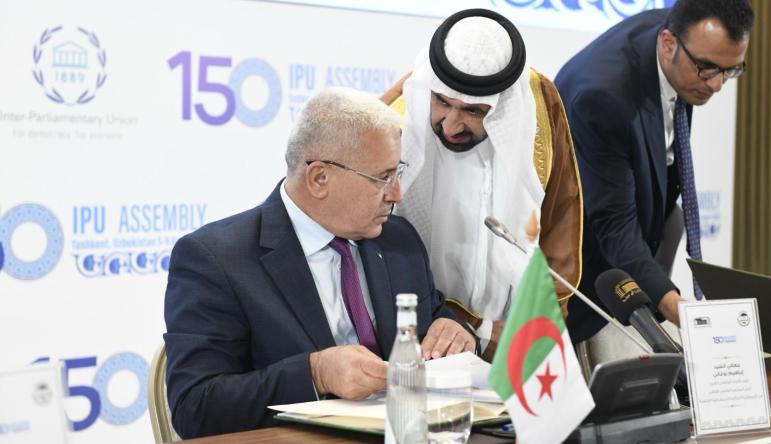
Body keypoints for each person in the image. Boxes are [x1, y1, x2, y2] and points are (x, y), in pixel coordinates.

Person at [163, 87, 475, 439]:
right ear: (319, 178)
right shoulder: (217, 258)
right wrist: (315, 374)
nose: (397, 193)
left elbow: (432, 319)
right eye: (383, 178)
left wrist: (452, 330)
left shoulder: (399, 240)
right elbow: (195, 407)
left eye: (397, 172)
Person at [380, 8, 583, 360]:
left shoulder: (537, 106)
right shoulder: (396, 118)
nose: (450, 125)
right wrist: (466, 326)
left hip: (511, 341)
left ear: (502, 108)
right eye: (442, 102)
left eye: (474, 111)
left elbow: (560, 220)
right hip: (419, 340)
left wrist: (537, 331)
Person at [555, 0, 753, 343]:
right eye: (708, 69)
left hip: (643, 228)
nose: (717, 85)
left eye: (730, 70)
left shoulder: (686, 42)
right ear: (667, 44)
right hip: (580, 252)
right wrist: (682, 313)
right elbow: (613, 225)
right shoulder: (603, 99)